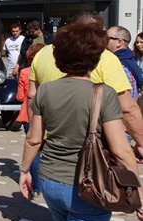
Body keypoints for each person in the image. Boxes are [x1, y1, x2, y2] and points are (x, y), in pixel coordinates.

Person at [19, 23, 142, 221]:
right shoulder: (103, 93)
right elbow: (122, 150)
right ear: (96, 58)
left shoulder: (46, 91)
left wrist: (24, 171)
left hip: (50, 181)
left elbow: (34, 138)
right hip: (90, 186)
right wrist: (136, 191)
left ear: (59, 57)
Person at [28, 12, 143, 162]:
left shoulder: (43, 53)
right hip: (94, 142)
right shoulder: (105, 57)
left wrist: (34, 130)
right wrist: (140, 142)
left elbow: (32, 95)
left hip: (50, 136)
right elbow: (127, 109)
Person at [16, 42, 46, 195]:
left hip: (29, 114)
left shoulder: (25, 72)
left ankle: (37, 186)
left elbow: (20, 96)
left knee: (33, 147)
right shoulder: (51, 71)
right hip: (47, 113)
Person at [107, 26, 143, 101]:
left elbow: (127, 100)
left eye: (107, 38)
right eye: (137, 42)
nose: (103, 41)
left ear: (120, 42)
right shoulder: (131, 58)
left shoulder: (121, 65)